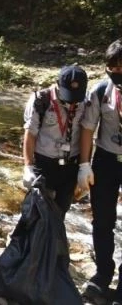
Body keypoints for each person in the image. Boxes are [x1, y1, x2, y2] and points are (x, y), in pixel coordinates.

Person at [78, 42, 122, 305]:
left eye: (121, 67)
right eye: (112, 67)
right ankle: (103, 273)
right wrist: (84, 164)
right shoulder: (100, 90)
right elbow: (87, 128)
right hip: (106, 160)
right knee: (103, 221)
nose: (116, 72)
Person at [21, 65, 87, 219]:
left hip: (71, 165)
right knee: (35, 212)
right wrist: (28, 167)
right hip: (44, 164)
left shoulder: (85, 101)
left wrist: (85, 166)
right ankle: (28, 242)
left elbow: (86, 132)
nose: (72, 102)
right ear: (58, 84)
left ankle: (52, 242)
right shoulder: (40, 100)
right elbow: (30, 134)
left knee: (60, 212)